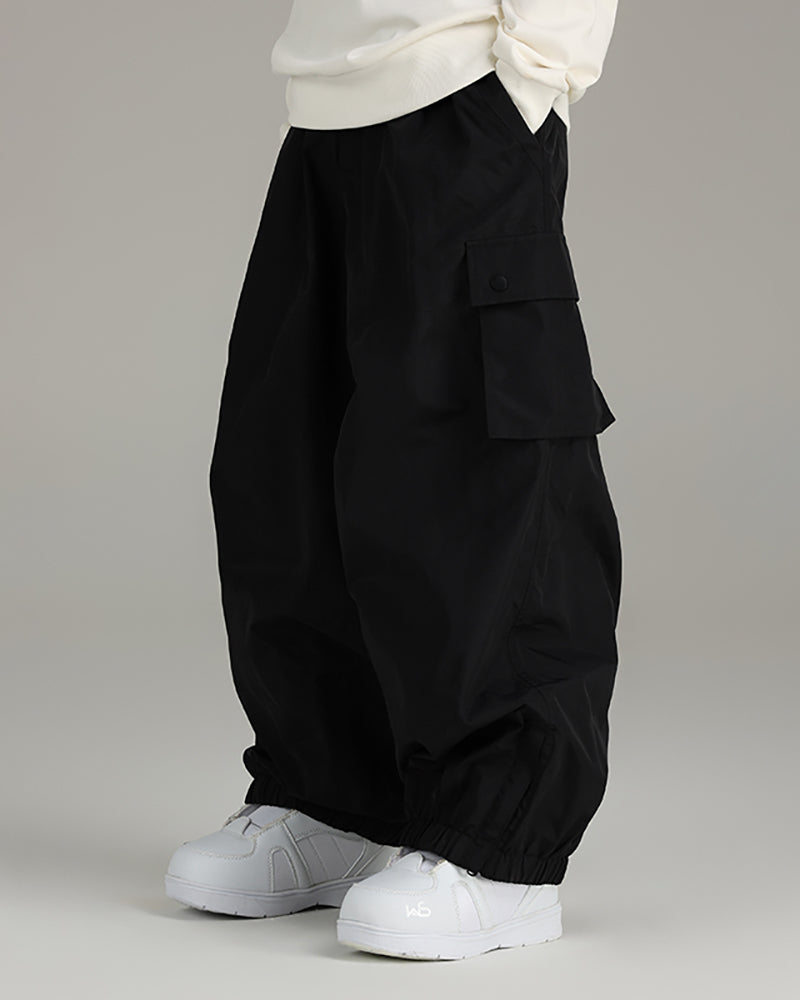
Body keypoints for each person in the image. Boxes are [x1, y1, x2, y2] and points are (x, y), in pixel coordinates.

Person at [165, 0, 622, 962]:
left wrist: (533, 74)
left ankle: (500, 845)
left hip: (467, 89)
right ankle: (335, 798)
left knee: (470, 471)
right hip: (325, 99)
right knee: (286, 463)